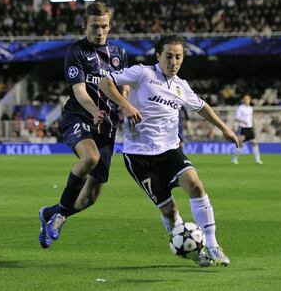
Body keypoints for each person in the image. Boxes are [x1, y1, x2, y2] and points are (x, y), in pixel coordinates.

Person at [99, 34, 240, 267]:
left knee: (195, 185)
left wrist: (225, 128)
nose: (173, 62)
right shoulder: (142, 73)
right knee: (169, 209)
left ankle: (213, 245)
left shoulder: (180, 86)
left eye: (178, 57)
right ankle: (195, 251)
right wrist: (126, 105)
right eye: (168, 56)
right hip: (138, 155)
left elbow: (201, 107)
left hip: (170, 151)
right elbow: (105, 82)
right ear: (158, 56)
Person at [38, 2, 128, 249]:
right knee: (90, 158)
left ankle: (52, 213)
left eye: (105, 26)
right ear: (84, 26)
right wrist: (94, 110)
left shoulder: (119, 54)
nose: (100, 32)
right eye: (95, 26)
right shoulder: (76, 52)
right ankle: (59, 217)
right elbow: (79, 90)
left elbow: (125, 86)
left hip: (107, 126)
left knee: (89, 198)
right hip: (79, 117)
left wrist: (127, 105)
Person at [231, 94, 263, 165]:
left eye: (248, 99)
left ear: (250, 100)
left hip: (250, 129)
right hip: (243, 128)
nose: (246, 100)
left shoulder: (251, 108)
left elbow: (251, 119)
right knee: (240, 145)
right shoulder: (240, 108)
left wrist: (254, 127)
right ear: (243, 100)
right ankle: (234, 159)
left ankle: (258, 160)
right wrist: (243, 121)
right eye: (245, 99)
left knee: (254, 143)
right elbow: (236, 118)